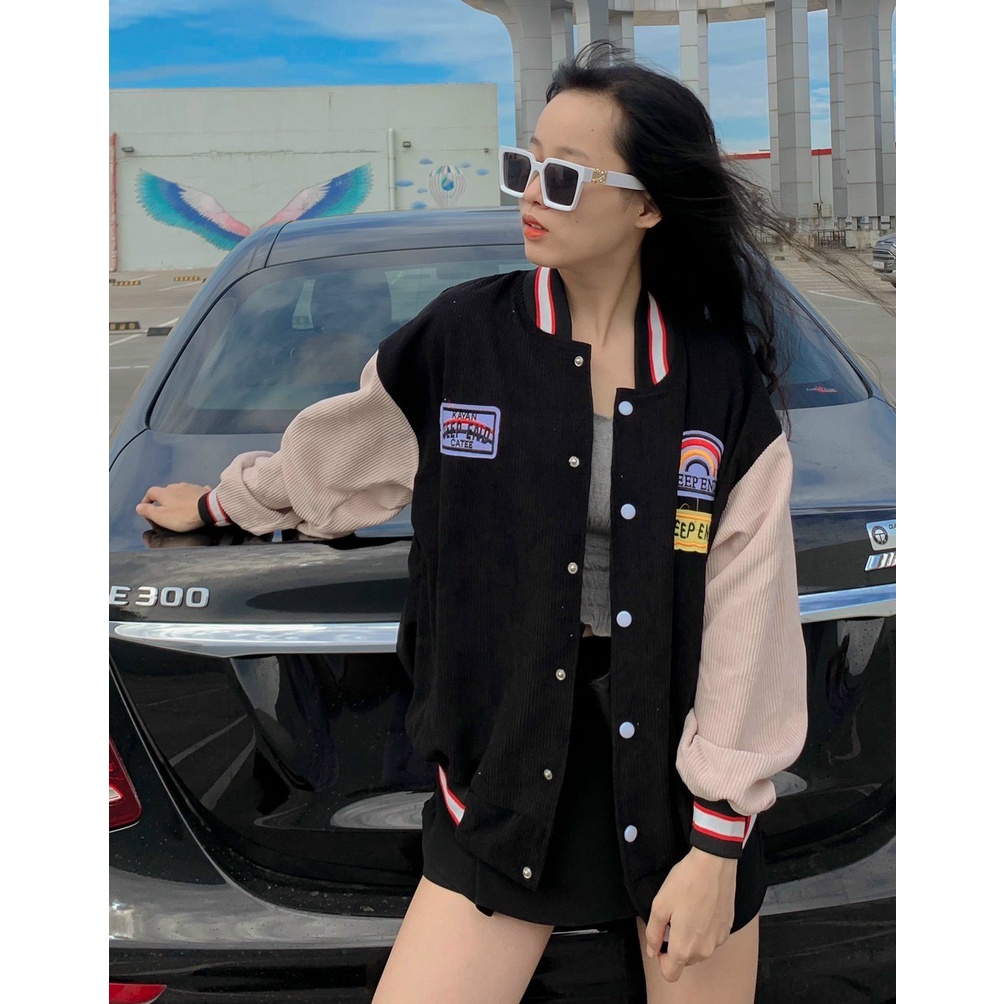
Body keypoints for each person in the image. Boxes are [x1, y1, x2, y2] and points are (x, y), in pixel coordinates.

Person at [137, 42, 807, 1004]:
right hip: (500, 783)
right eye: (524, 163)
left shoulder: (720, 388)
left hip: (676, 795)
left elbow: (750, 620)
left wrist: (717, 846)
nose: (531, 193)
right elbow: (339, 451)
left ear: (648, 206)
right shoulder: (463, 340)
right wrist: (220, 502)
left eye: (565, 177)